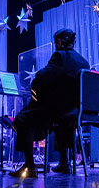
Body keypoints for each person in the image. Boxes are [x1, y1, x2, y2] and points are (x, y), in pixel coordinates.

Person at [10, 28, 90, 178]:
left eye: (56, 41)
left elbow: (42, 75)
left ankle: (29, 166)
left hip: (60, 111)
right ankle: (64, 163)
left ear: (61, 42)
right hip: (76, 111)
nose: (55, 44)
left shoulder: (59, 56)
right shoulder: (84, 61)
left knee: (22, 118)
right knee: (60, 119)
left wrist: (36, 92)